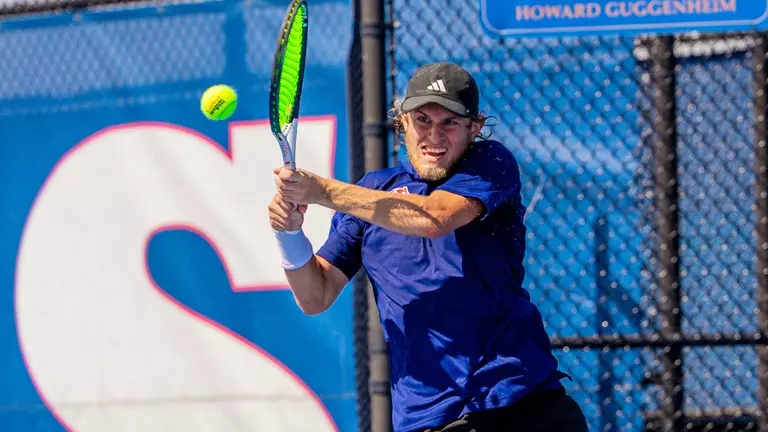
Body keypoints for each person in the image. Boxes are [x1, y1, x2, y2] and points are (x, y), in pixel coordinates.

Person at [268, 62, 589, 432]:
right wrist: (288, 233)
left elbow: (434, 218)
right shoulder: (373, 190)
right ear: (402, 122)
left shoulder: (490, 163)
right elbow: (315, 296)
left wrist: (324, 191)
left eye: (450, 123)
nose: (434, 136)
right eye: (422, 120)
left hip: (520, 408)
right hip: (427, 420)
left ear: (475, 128)